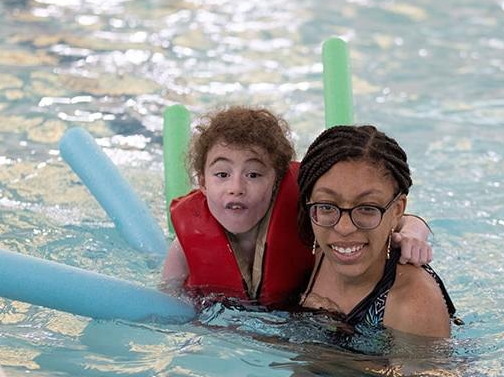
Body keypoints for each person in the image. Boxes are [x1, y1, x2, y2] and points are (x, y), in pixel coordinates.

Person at [162, 107, 433, 307]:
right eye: (222, 175)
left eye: (253, 175)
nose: (236, 187)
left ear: (277, 180)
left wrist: (415, 233)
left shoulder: (307, 215)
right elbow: (167, 302)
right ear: (202, 183)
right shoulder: (184, 246)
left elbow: (388, 217)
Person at [297, 124, 457, 337]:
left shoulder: (413, 304)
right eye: (327, 205)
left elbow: (426, 371)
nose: (344, 228)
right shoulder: (305, 246)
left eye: (367, 208)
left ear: (396, 211)